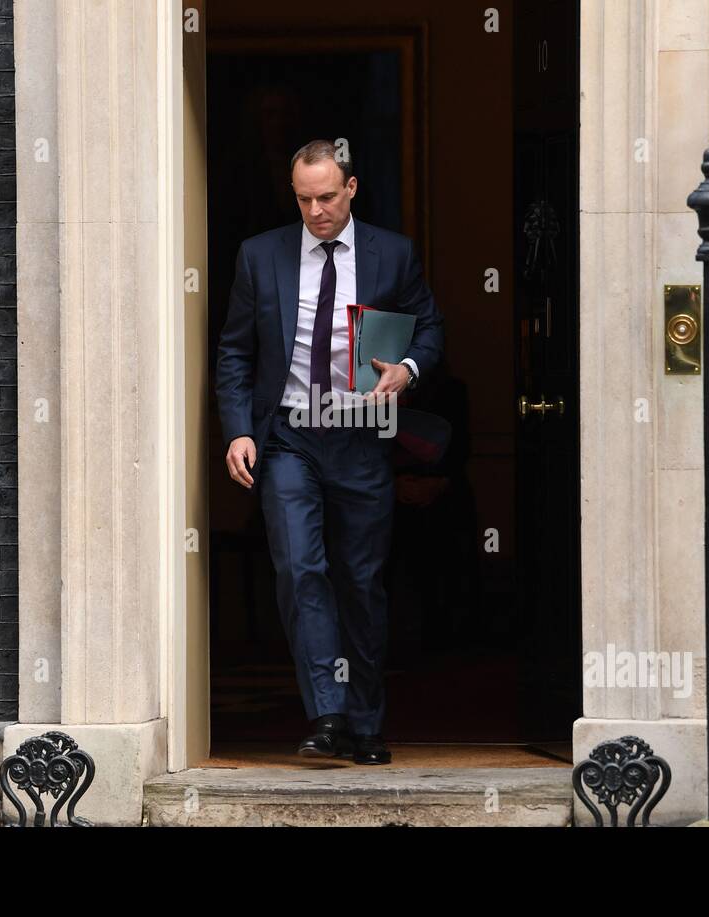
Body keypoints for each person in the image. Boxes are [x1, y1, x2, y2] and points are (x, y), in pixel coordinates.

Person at [215, 139, 445, 764]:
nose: (315, 210)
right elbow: (236, 350)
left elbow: (429, 326)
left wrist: (407, 368)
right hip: (288, 436)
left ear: (351, 188)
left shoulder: (392, 253)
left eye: (325, 196)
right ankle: (329, 715)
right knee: (300, 570)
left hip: (361, 436)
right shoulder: (259, 255)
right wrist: (239, 429)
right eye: (303, 198)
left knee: (361, 581)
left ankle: (368, 722)